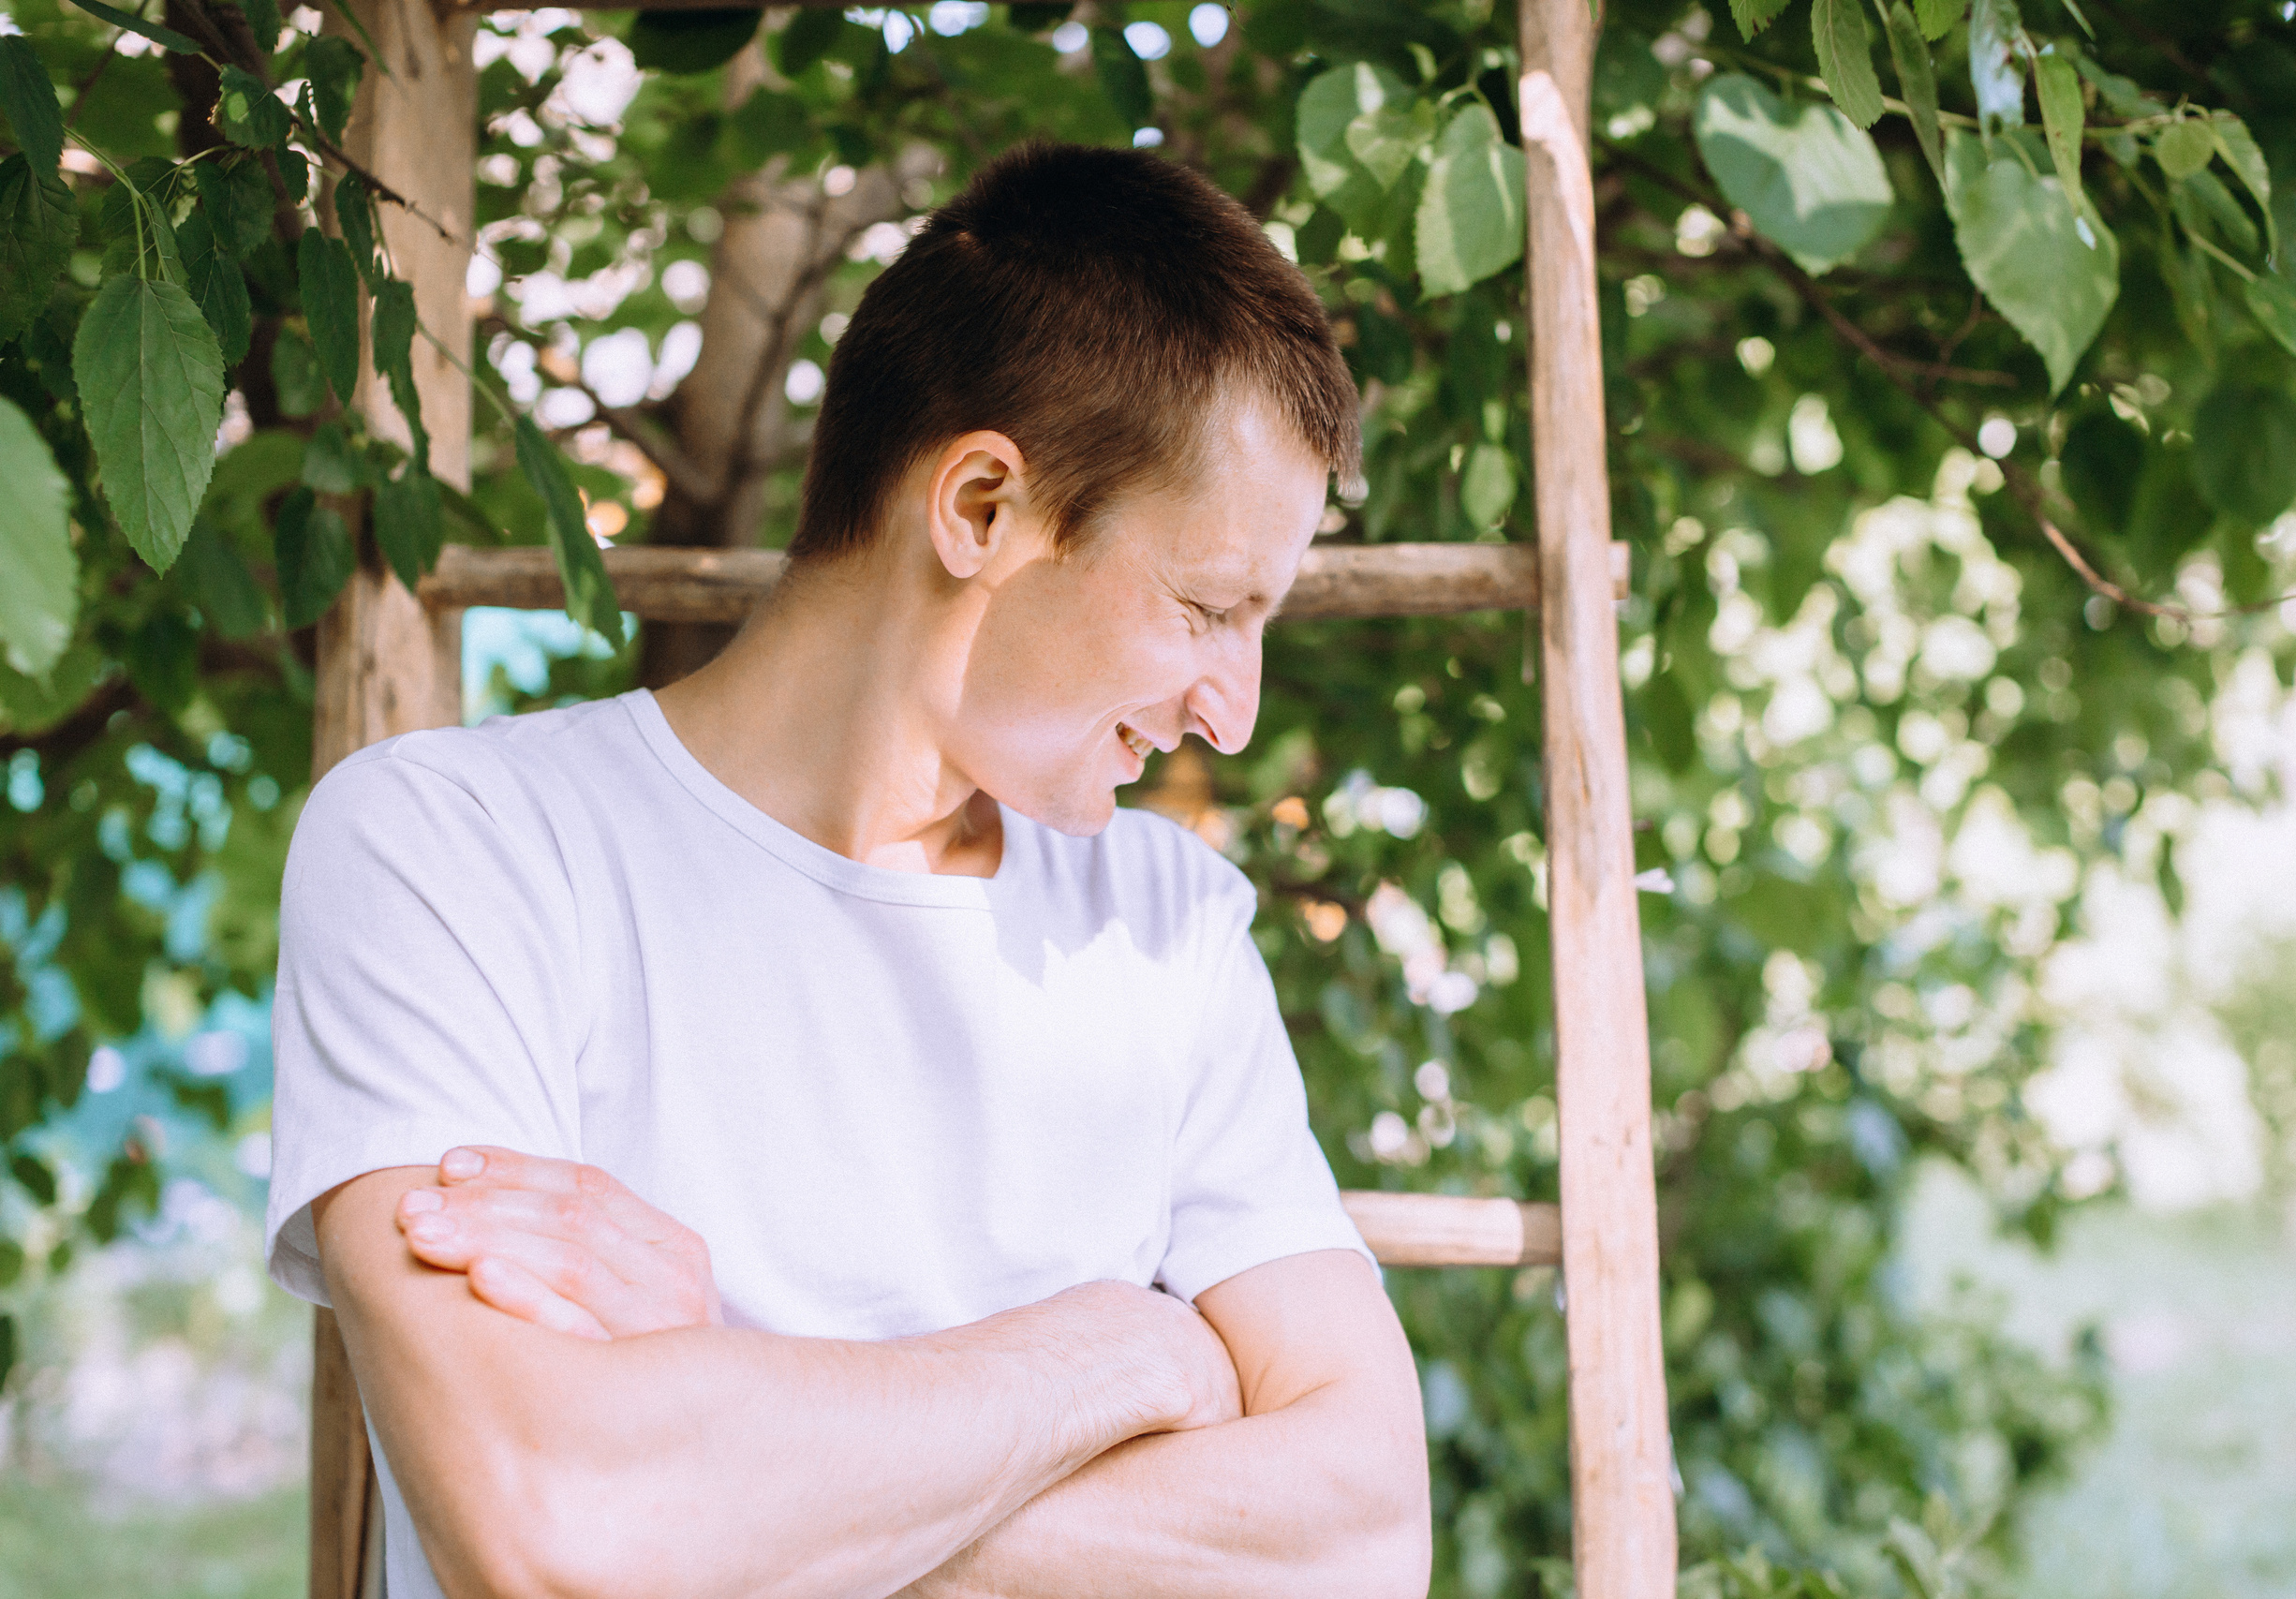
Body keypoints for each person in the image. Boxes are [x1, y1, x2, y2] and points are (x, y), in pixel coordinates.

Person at [268, 141, 1433, 1598]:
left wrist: (732, 1435)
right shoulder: (457, 851)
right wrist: (1118, 1356)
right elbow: (560, 1529)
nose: (1234, 712)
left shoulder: (1168, 929)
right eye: (1206, 607)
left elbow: (1362, 1540)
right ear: (983, 508)